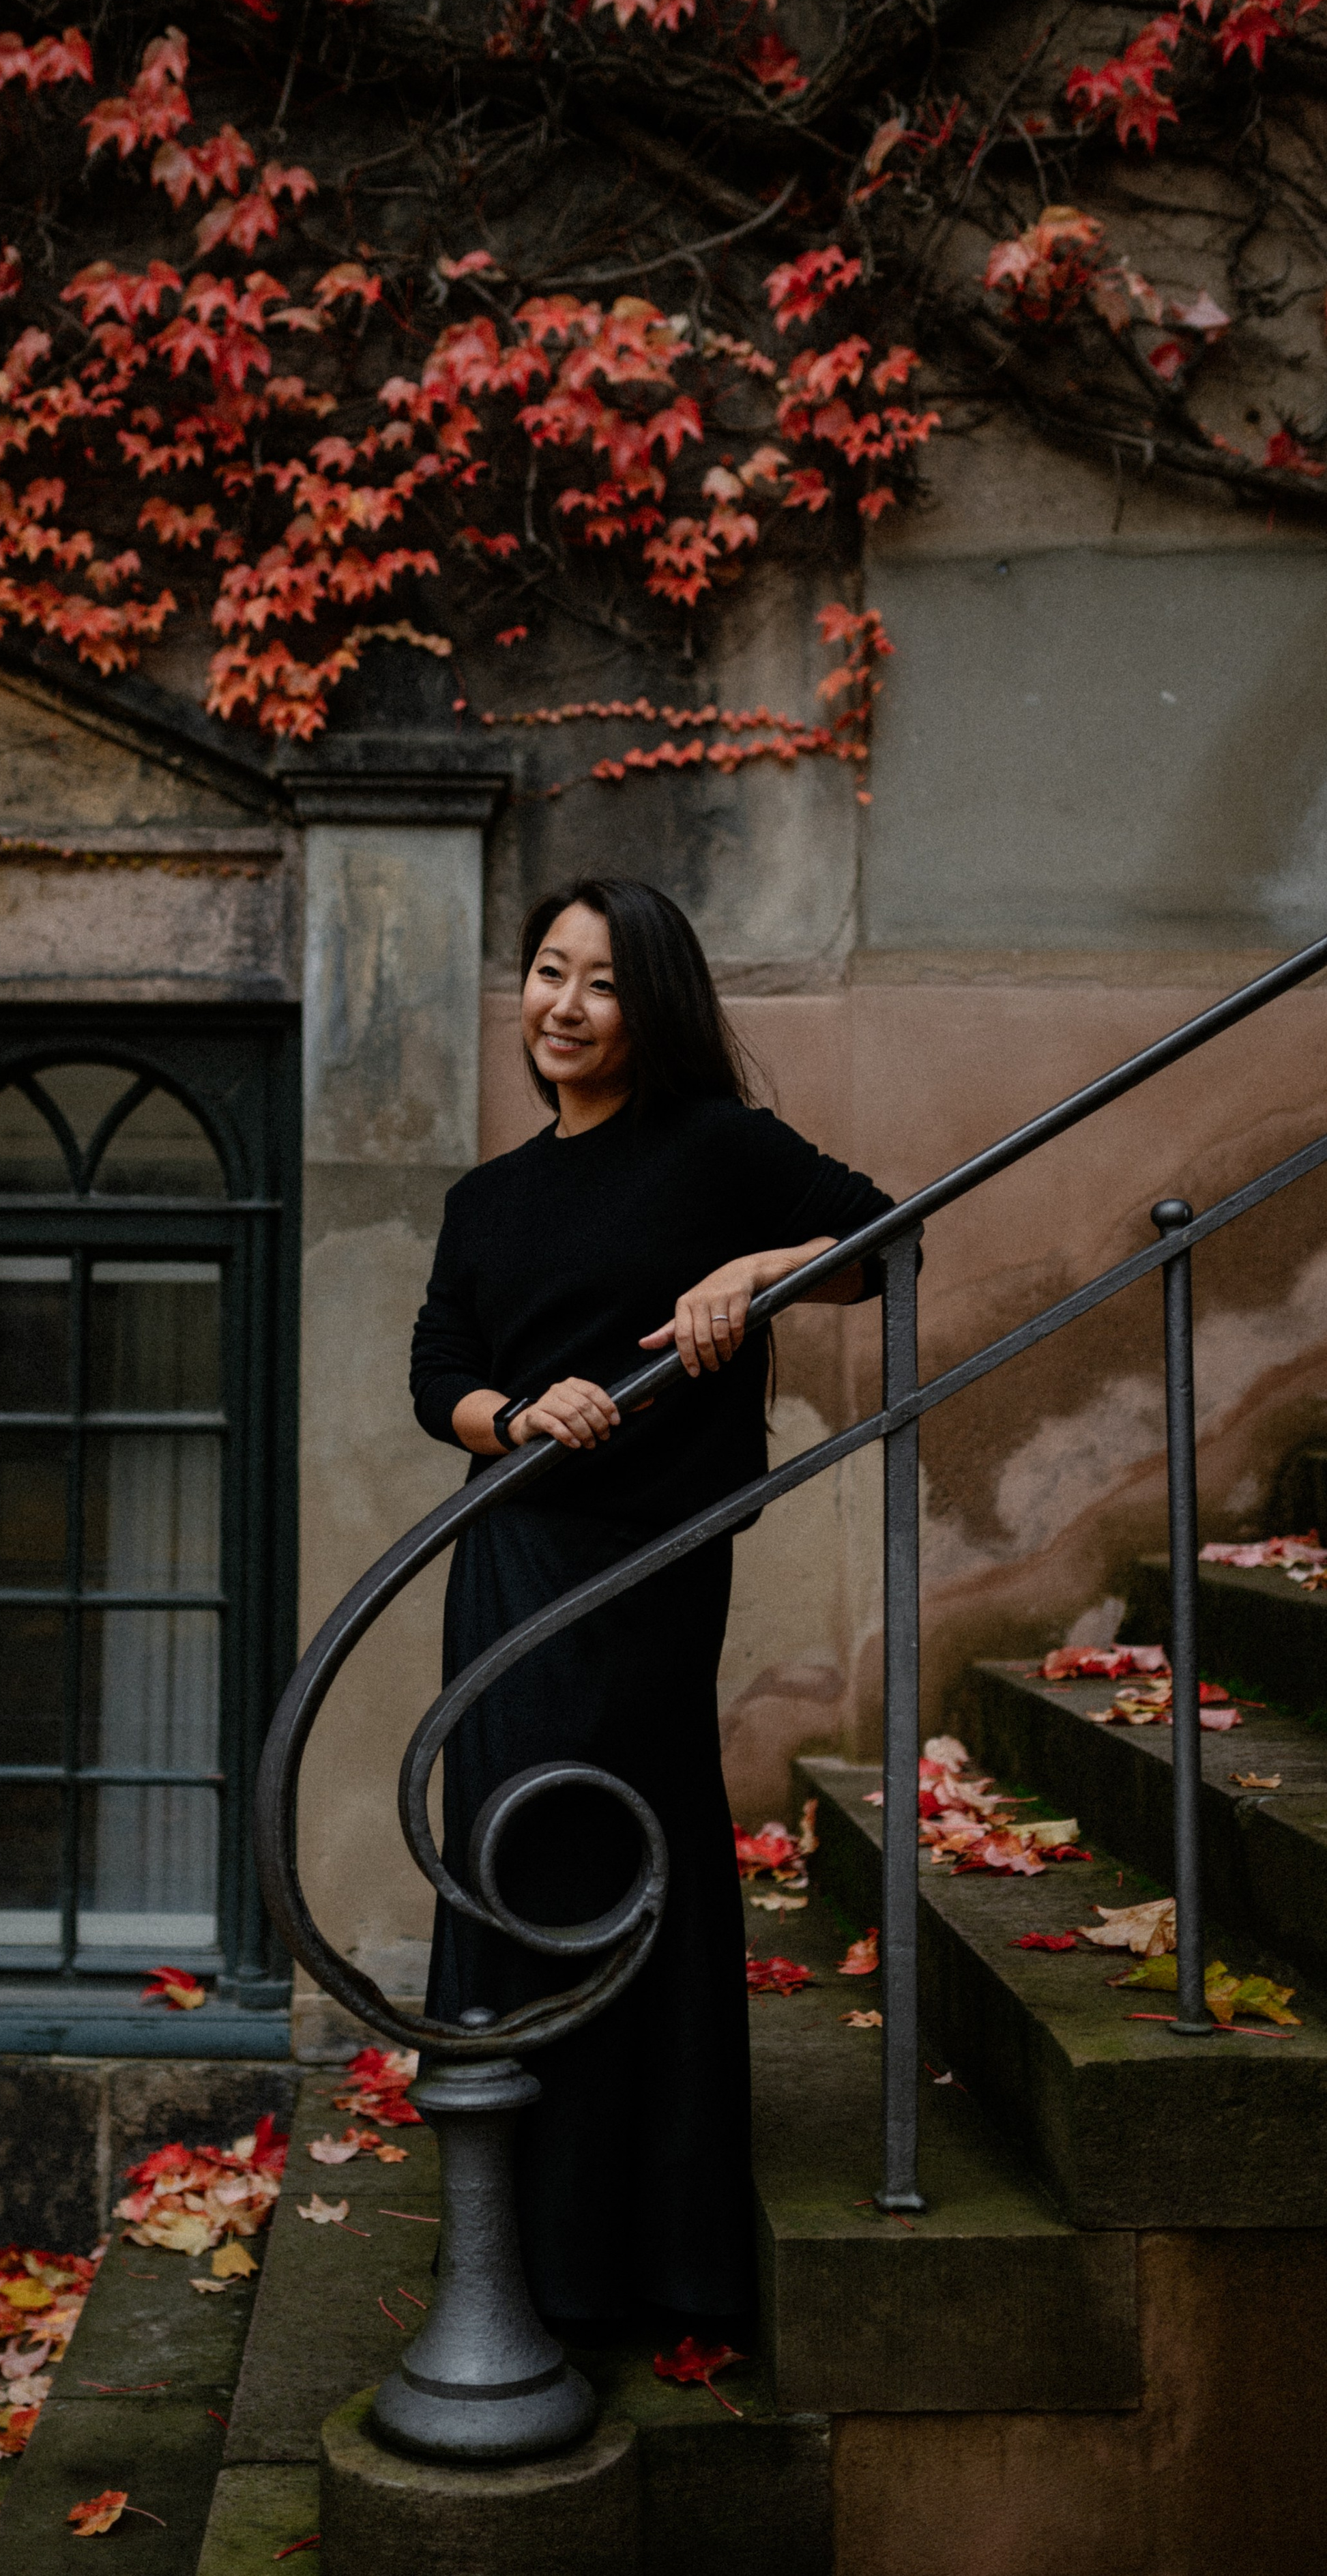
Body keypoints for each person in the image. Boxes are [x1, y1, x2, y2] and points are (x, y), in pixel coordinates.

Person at [409, 875, 895, 2335]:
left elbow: (881, 1237)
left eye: (599, 982)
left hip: (642, 1572)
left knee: (619, 1852)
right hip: (508, 1566)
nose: (561, 1005)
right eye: (546, 973)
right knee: (511, 1864)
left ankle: (654, 2261)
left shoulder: (714, 1150)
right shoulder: (485, 1198)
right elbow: (439, 1370)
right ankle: (519, 2260)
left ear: (651, 1002)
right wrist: (515, 1412)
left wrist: (751, 1271)